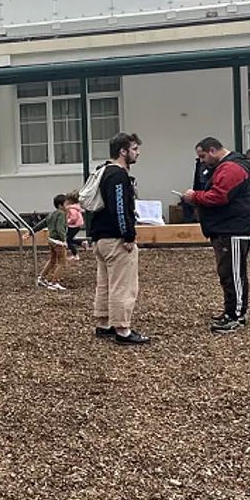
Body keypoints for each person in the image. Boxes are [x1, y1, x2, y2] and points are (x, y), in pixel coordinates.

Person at [183, 137, 250, 334]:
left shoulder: (231, 168)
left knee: (233, 274)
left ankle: (236, 315)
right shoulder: (229, 166)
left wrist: (195, 197)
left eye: (202, 156)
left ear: (212, 151)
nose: (201, 161)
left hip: (234, 228)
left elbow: (219, 196)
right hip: (228, 227)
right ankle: (231, 311)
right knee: (228, 273)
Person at [89, 132, 149, 345]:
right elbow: (120, 207)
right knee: (123, 285)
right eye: (134, 149)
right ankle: (122, 329)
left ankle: (104, 322)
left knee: (105, 282)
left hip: (100, 237)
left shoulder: (102, 171)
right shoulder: (118, 175)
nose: (137, 153)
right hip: (115, 239)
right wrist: (128, 234)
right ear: (123, 151)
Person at [36, 195, 69, 291]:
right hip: (58, 241)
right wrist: (64, 240)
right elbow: (60, 228)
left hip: (51, 240)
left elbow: (42, 223)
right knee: (62, 262)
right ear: (60, 205)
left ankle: (41, 278)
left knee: (52, 260)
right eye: (67, 204)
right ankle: (55, 282)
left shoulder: (51, 214)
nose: (68, 206)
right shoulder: (61, 214)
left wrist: (31, 232)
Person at [64, 191, 85, 259]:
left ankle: (75, 254)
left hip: (73, 226)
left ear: (70, 200)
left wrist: (67, 221)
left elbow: (73, 218)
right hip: (76, 226)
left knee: (68, 240)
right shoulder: (76, 207)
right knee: (69, 239)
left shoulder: (71, 209)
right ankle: (81, 243)